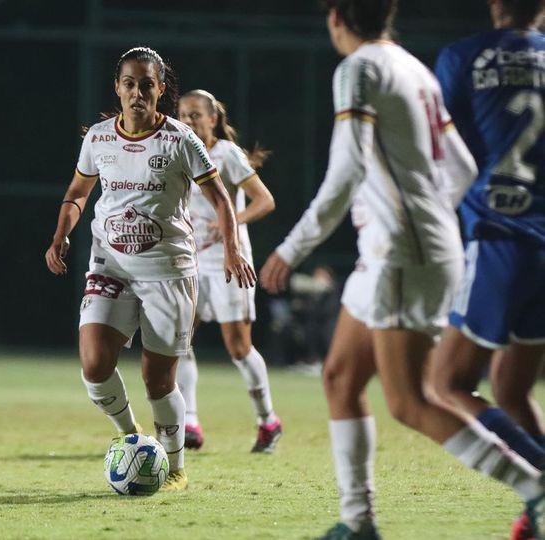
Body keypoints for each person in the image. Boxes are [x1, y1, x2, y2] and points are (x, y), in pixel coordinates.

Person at [261, 1, 545, 538]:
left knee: (411, 401)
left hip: (400, 252)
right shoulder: (413, 66)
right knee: (340, 377)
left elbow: (346, 172)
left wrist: (291, 248)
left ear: (336, 17)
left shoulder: (359, 68)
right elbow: (460, 167)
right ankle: (357, 522)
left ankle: (536, 487)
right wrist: (432, 224)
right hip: (410, 248)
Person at [45, 46, 256, 492]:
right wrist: (62, 232)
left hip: (169, 270)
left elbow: (221, 199)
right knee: (94, 363)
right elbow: (79, 191)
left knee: (157, 379)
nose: (137, 92)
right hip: (111, 263)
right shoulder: (99, 137)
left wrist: (234, 249)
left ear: (160, 90)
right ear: (117, 88)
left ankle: (175, 465)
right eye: (129, 83)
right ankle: (132, 438)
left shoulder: (180, 139)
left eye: (147, 84)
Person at [432, 0, 545, 536]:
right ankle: (538, 509)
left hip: (499, 236)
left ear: (495, 4)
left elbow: (445, 150)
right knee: (512, 387)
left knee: (445, 383)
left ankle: (542, 485)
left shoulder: (463, 57)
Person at [175, 89, 282, 453]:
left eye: (195, 115)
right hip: (189, 261)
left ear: (213, 119)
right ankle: (189, 422)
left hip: (229, 259)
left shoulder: (227, 154)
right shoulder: (178, 153)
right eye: (183, 115)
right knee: (178, 340)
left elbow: (265, 200)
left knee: (238, 348)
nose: (188, 121)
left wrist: (231, 221)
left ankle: (268, 420)